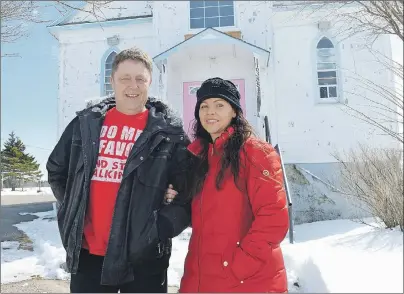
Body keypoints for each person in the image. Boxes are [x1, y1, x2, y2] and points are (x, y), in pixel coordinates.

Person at [46, 47, 191, 293]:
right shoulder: (85, 125)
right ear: (112, 80)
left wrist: (162, 226)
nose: (132, 86)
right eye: (125, 78)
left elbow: (190, 187)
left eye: (140, 79)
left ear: (149, 82)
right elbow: (56, 169)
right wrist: (74, 206)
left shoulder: (169, 134)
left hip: (145, 258)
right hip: (89, 255)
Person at [165, 77, 290, 293]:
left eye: (219, 105)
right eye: (204, 106)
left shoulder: (257, 154)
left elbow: (273, 218)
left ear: (235, 111)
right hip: (201, 278)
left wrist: (240, 267)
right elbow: (204, 216)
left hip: (246, 282)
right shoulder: (199, 157)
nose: (210, 112)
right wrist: (173, 196)